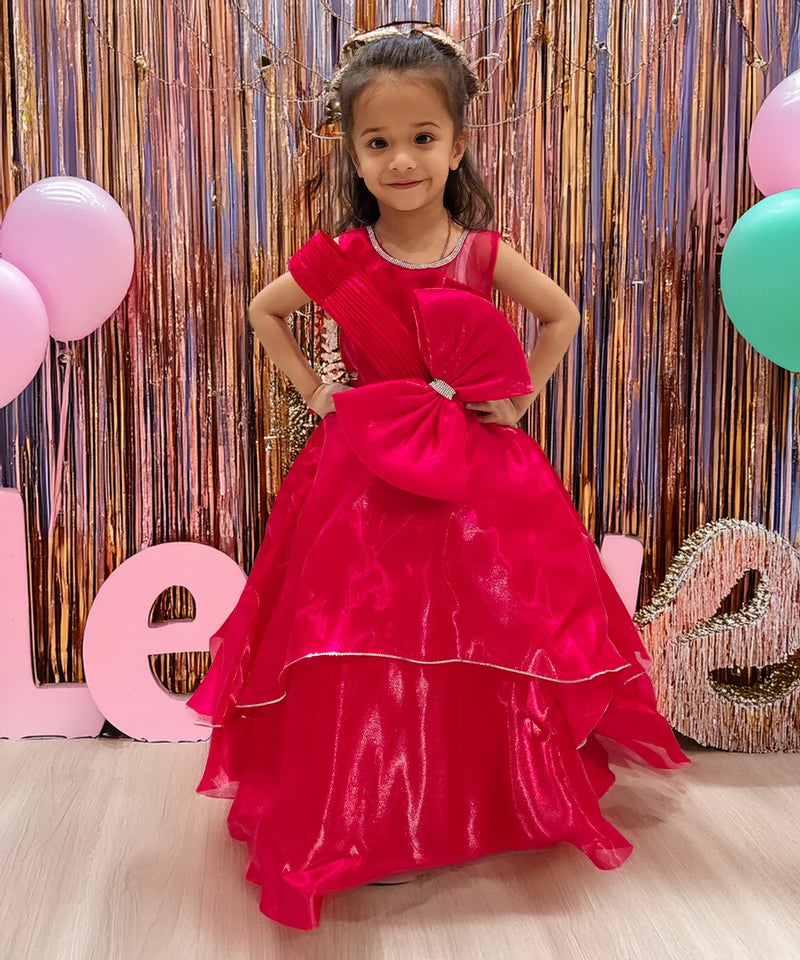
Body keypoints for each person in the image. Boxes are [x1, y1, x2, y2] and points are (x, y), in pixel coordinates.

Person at [187, 24, 689, 931]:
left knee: (484, 631)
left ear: (458, 145)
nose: (402, 160)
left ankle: (476, 799)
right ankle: (363, 813)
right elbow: (265, 312)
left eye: (422, 138)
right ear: (354, 152)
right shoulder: (341, 258)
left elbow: (561, 316)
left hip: (474, 475)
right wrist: (319, 393)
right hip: (359, 483)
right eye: (378, 143)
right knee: (356, 639)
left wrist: (521, 397)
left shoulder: (482, 254)